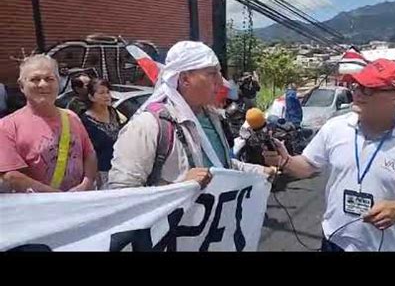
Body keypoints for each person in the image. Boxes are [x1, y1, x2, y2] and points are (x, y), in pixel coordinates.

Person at [263, 58, 395, 251]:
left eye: (369, 89)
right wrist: (283, 160)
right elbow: (307, 166)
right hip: (333, 241)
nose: (358, 94)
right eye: (356, 86)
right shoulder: (335, 127)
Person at [108, 41, 276, 190]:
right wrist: (178, 188)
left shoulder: (214, 117)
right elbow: (121, 194)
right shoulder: (148, 125)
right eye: (211, 73)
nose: (220, 81)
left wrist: (260, 172)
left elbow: (222, 166)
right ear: (184, 79)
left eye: (219, 73)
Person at [0, 54, 98, 193]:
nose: (43, 84)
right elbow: (11, 176)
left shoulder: (72, 117)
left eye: (49, 79)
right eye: (35, 79)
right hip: (39, 211)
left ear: (58, 83)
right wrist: (58, 198)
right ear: (21, 86)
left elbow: (89, 154)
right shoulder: (6, 126)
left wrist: (86, 184)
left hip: (79, 206)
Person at [81, 78, 124, 189]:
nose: (106, 96)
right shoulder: (86, 120)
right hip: (101, 172)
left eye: (107, 92)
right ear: (91, 97)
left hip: (120, 167)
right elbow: (85, 151)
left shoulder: (113, 112)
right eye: (101, 93)